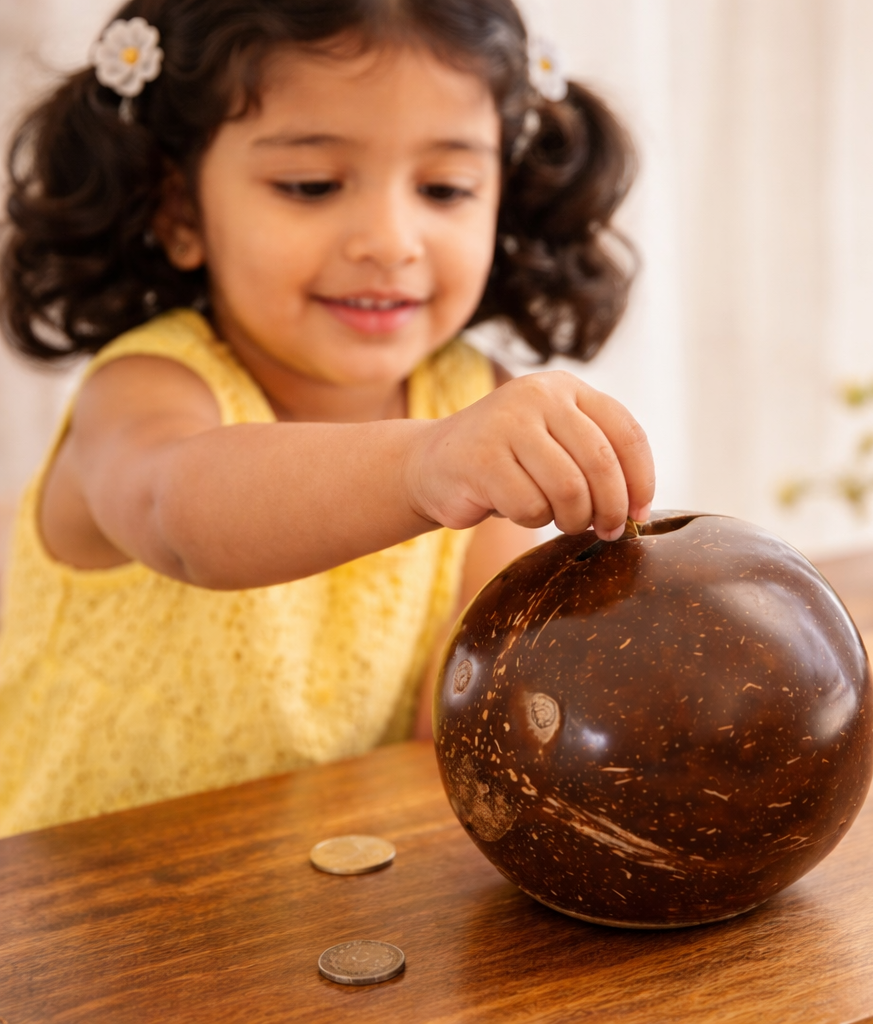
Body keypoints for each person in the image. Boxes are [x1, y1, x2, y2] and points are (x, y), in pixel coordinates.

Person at [0, 0, 654, 837]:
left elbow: (459, 711)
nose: (390, 240)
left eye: (446, 188)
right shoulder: (143, 390)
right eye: (311, 185)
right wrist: (425, 464)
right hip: (86, 931)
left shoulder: (467, 402)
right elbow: (178, 515)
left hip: (328, 908)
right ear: (180, 209)